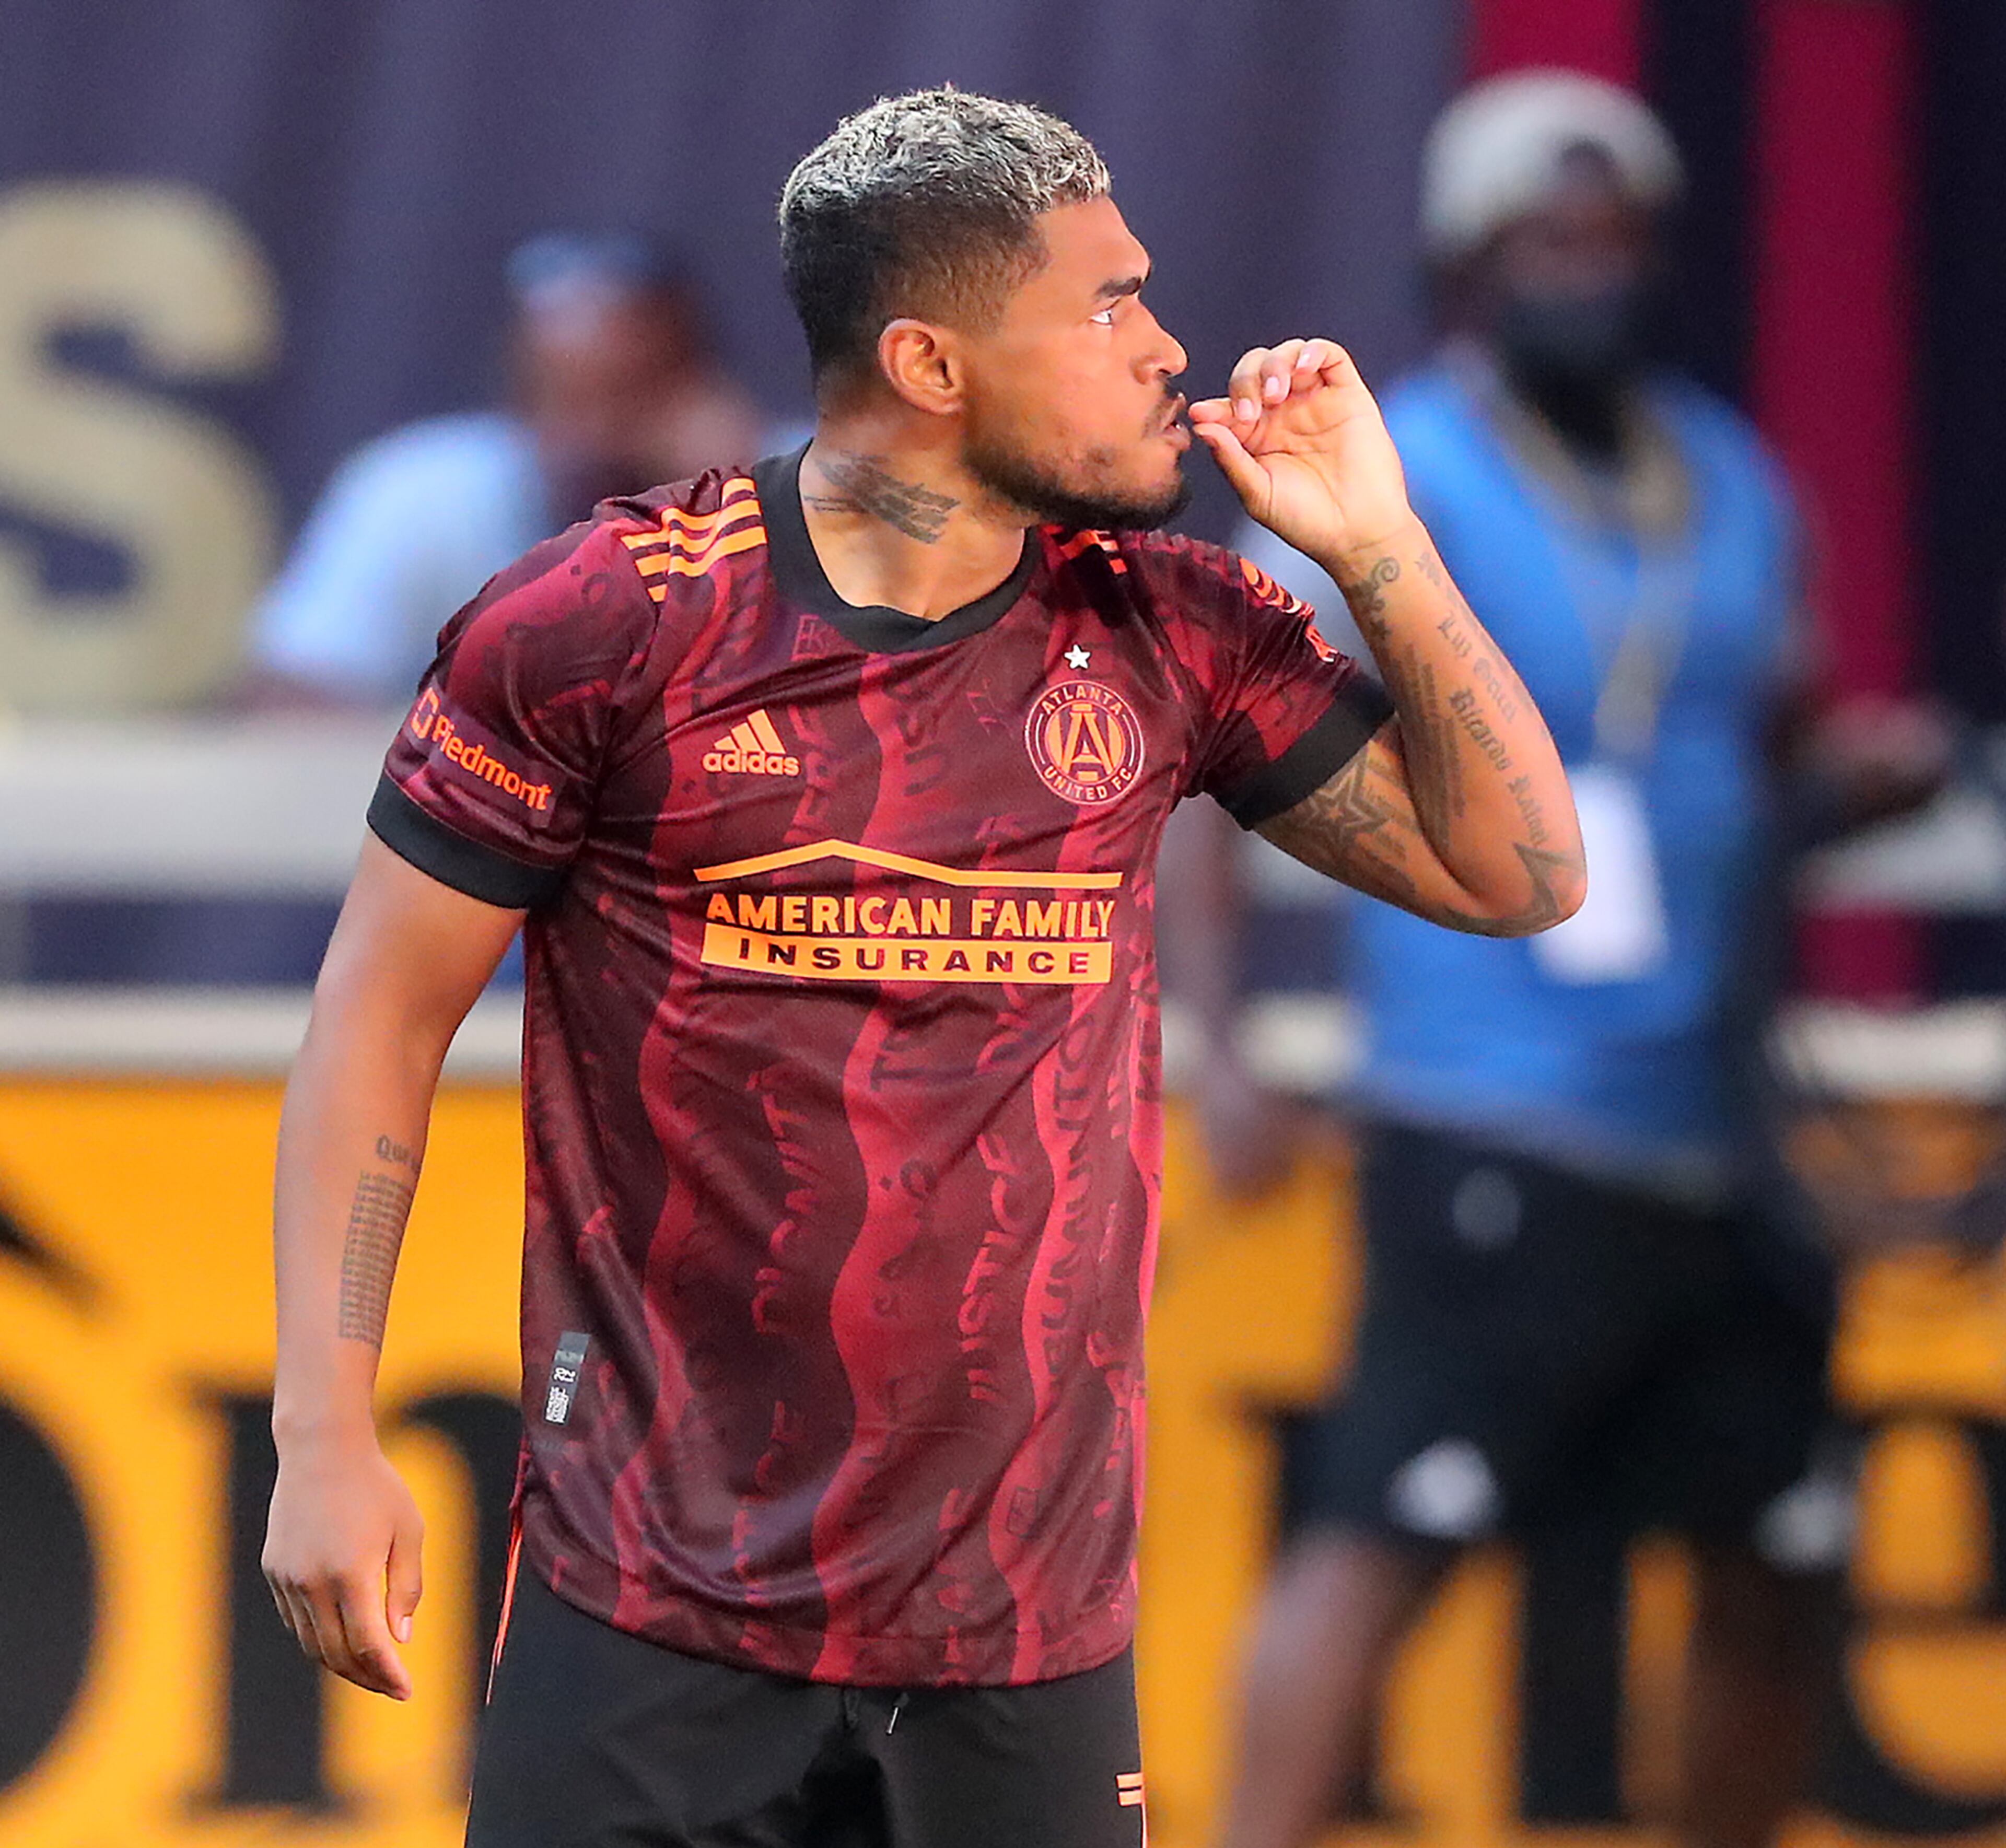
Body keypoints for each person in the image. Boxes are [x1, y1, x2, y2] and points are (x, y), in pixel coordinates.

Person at [259, 88, 1582, 1848]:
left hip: (1023, 1633)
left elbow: (1521, 872)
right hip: (649, 1602)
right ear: (931, 361)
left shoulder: (1172, 627)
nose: (1168, 346)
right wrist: (322, 1434)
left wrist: (1380, 547)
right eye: (1108, 304)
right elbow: (379, 1018)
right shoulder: (613, 621)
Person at [1192, 70, 1942, 1848]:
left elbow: (1754, 752)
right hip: (1488, 1100)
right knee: (1384, 1534)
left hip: (1713, 1119)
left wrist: (1849, 778)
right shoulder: (1391, 475)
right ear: (1469, 266)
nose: (1585, 270)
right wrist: (1216, 1043)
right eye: (1548, 240)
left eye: (1613, 240)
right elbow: (1217, 744)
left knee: (1780, 1569)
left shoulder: (1739, 480)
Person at [246, 230, 766, 707]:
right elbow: (292, 697)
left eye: (626, 396)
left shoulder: (798, 490)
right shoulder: (420, 491)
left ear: (700, 389)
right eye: (560, 398)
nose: (590, 435)